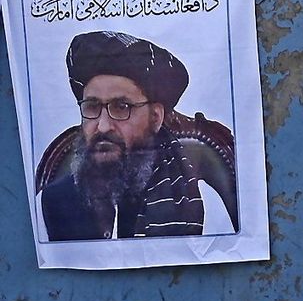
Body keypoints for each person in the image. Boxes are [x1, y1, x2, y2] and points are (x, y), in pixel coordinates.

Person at [40, 31, 231, 241]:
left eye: (122, 107)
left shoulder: (198, 197)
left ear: (155, 118)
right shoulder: (50, 202)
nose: (103, 126)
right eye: (92, 107)